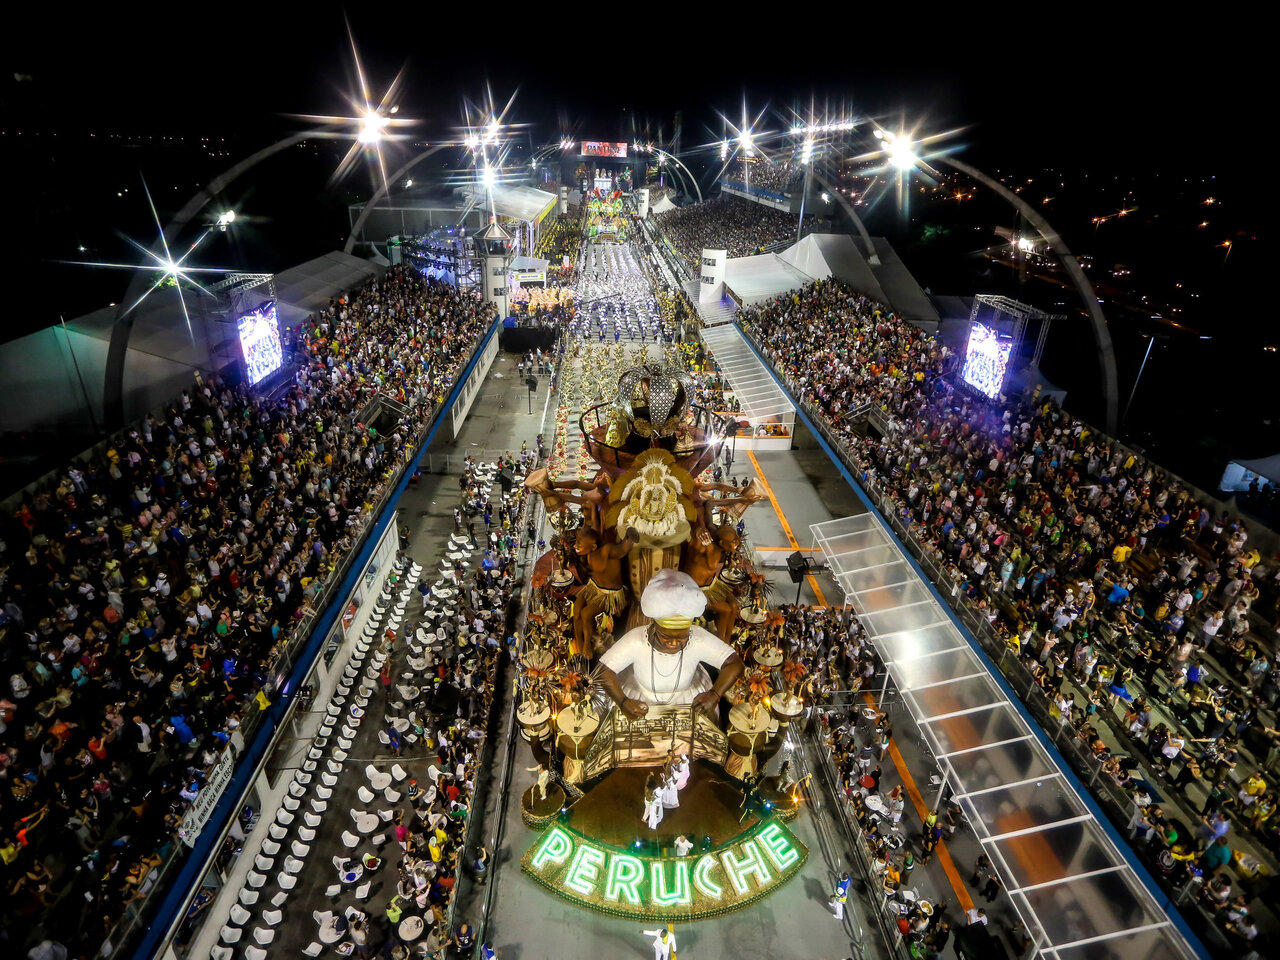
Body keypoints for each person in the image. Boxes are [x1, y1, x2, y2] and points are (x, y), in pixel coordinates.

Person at [597, 569, 745, 715]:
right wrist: (623, 702)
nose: (674, 643)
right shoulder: (637, 639)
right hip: (640, 698)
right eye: (666, 637)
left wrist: (715, 694)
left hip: (688, 700)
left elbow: (734, 664)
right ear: (655, 626)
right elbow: (604, 671)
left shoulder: (697, 638)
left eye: (682, 638)